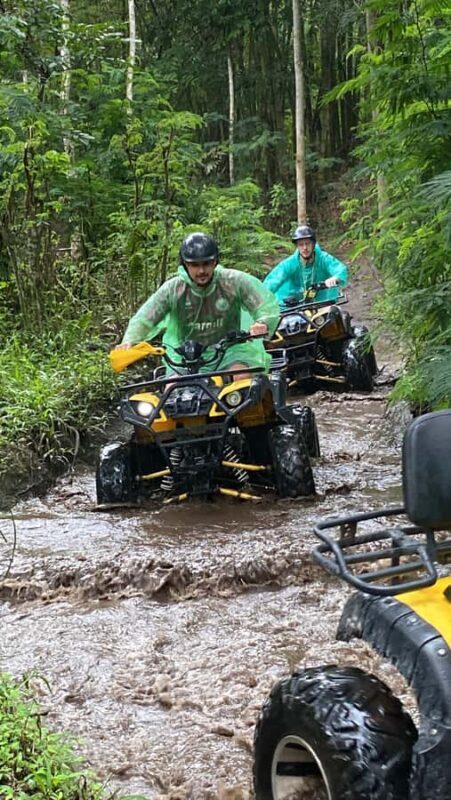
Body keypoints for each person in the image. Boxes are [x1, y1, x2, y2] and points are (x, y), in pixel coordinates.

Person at [115, 232, 280, 379]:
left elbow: (263, 303)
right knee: (171, 391)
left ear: (215, 262)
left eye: (207, 263)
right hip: (183, 358)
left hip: (230, 351)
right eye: (195, 265)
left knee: (241, 378)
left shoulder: (233, 281)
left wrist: (263, 322)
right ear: (185, 265)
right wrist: (130, 341)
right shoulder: (173, 289)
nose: (201, 270)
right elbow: (146, 317)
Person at [263, 224, 348, 306]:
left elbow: (340, 269)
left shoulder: (323, 258)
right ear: (297, 246)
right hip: (293, 305)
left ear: (313, 244)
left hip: (321, 302)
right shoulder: (289, 263)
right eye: (301, 244)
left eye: (307, 243)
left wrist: (335, 278)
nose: (305, 248)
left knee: (335, 316)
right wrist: (261, 300)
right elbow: (272, 281)